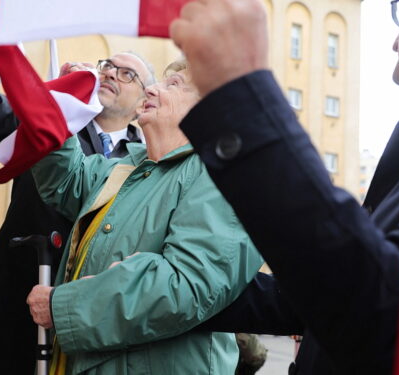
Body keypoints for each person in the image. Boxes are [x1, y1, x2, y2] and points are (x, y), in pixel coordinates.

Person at [170, 0, 399, 373]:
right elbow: (313, 297)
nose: (396, 37)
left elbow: (380, 315)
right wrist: (177, 290)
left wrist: (239, 95)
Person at [25, 60, 263, 374]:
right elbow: (63, 181)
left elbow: (187, 284)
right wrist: (63, 106)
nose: (151, 88)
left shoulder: (222, 175)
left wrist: (64, 307)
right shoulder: (125, 169)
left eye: (174, 84)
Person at [0, 23, 155, 375]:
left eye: (126, 74)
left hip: (88, 323)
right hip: (13, 307)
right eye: (106, 66)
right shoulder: (50, 121)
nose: (110, 74)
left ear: (142, 103)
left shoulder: (150, 161)